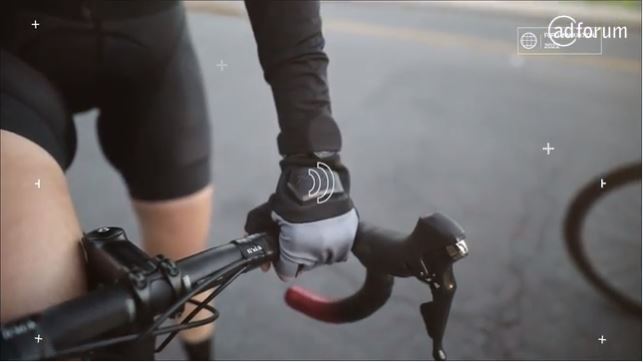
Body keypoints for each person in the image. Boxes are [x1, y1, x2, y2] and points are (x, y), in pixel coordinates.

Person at [0, 0, 358, 359]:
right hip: (14, 49)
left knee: (187, 273)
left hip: (151, 44)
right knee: (39, 319)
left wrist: (314, 159)